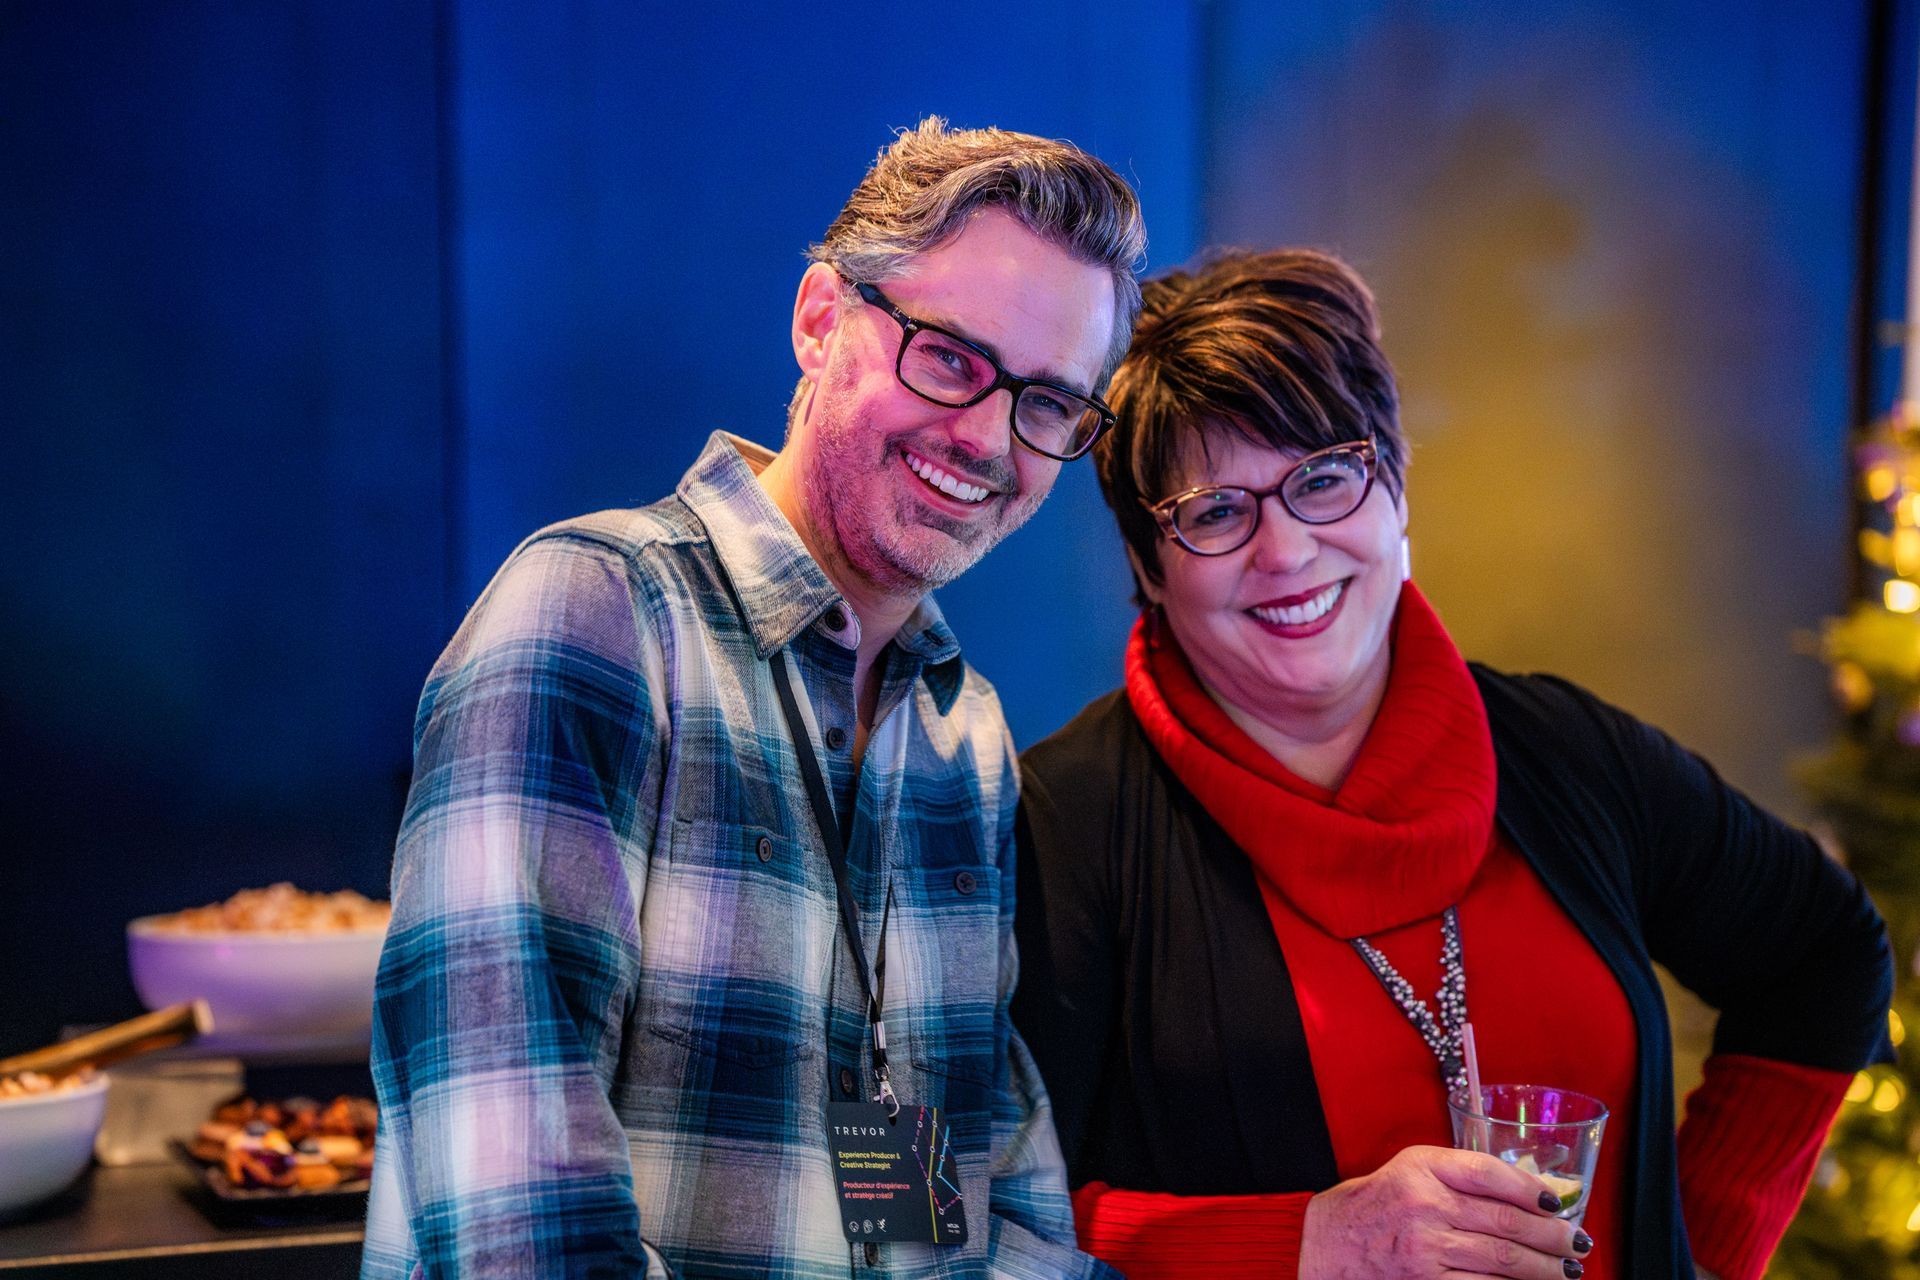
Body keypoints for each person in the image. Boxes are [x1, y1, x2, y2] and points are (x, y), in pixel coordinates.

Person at [1009, 248, 1894, 1280]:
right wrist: (1307, 1243)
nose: (1285, 550)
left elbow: (1825, 956)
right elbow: (975, 1214)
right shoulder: (1063, 823)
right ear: (1149, 569)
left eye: (1324, 477)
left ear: (1396, 490)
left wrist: (1692, 1250)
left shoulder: (1563, 751)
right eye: (1214, 511)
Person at [361, 118, 1145, 1279]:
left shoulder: (958, 730)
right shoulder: (596, 615)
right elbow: (519, 1224)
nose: (987, 436)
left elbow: (954, 1197)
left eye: (1047, 402)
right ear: (822, 320)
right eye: (950, 356)